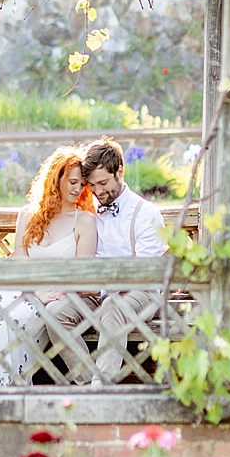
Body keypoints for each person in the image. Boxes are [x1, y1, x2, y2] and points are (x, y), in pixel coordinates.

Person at [0, 148, 95, 387]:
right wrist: (36, 290)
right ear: (55, 180)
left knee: (17, 317)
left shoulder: (85, 221)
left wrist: (48, 294)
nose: (78, 189)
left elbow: (82, 272)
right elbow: (21, 259)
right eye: (72, 181)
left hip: (58, 296)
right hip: (27, 286)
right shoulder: (28, 215)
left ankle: (4, 383)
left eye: (82, 184)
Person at [81, 138, 167, 382]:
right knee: (58, 312)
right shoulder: (92, 212)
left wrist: (100, 287)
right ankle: (85, 383)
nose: (97, 191)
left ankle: (100, 391)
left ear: (119, 171)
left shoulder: (145, 213)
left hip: (142, 292)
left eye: (103, 183)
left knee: (112, 307)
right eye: (92, 185)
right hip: (99, 291)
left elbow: (146, 273)